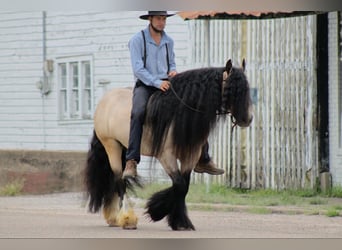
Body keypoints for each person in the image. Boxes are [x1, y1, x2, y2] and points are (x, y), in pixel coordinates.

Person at [123, 11, 224, 178]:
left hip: (167, 84)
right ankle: (131, 161)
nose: (162, 22)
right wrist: (157, 82)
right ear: (150, 19)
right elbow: (138, 69)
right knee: (138, 112)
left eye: (164, 19)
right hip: (146, 85)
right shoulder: (137, 40)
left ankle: (203, 159)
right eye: (158, 19)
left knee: (193, 108)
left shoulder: (168, 41)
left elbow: (171, 64)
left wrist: (173, 72)